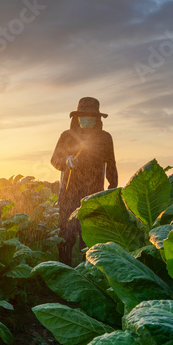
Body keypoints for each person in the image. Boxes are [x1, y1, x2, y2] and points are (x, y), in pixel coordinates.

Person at [50, 97, 118, 264]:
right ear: (77, 118)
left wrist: (113, 186)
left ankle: (87, 271)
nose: (86, 121)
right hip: (68, 193)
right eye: (82, 117)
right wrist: (66, 160)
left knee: (88, 236)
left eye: (90, 117)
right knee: (66, 234)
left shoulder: (105, 138)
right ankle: (63, 270)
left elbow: (111, 164)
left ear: (97, 119)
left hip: (93, 194)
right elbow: (55, 160)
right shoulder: (67, 136)